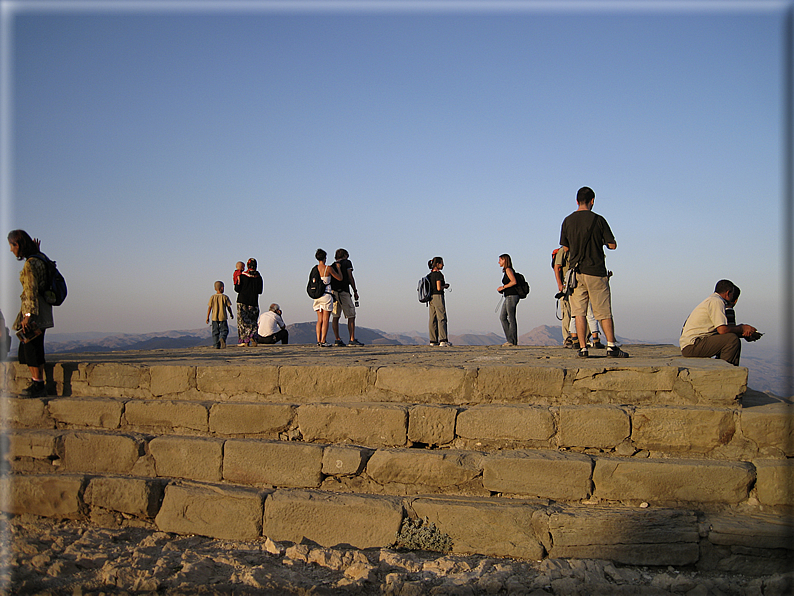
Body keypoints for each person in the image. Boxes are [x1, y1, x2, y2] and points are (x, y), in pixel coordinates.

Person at [559, 186, 629, 358]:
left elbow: (565, 247)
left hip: (576, 273)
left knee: (579, 312)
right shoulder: (598, 220)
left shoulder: (567, 220)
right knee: (603, 311)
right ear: (592, 201)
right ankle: (611, 346)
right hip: (596, 270)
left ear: (576, 201)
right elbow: (612, 245)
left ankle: (583, 348)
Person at [7, 230, 53, 398]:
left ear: (18, 245)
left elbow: (30, 290)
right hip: (44, 309)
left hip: (34, 311)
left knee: (31, 348)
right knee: (34, 346)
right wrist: (39, 251)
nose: (11, 250)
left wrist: (27, 315)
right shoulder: (41, 259)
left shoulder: (30, 264)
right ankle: (38, 383)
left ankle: (38, 385)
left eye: (12, 246)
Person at [680, 280, 759, 366]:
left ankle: (723, 367)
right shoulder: (717, 302)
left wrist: (744, 333)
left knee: (729, 338)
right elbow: (722, 330)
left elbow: (721, 331)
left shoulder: (712, 300)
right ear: (728, 293)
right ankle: (725, 371)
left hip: (692, 344)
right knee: (732, 340)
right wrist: (742, 328)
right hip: (693, 346)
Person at [330, 248, 363, 346]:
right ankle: (351, 339)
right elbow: (350, 276)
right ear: (345, 255)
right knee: (351, 315)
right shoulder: (347, 263)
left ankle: (337, 339)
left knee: (335, 316)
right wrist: (355, 291)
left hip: (333, 293)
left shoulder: (332, 266)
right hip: (344, 291)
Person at [313, 249, 342, 347]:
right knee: (326, 319)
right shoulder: (327, 268)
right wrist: (338, 268)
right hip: (326, 295)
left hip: (317, 296)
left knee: (319, 320)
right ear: (325, 257)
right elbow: (339, 278)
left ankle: (318, 340)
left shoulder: (315, 269)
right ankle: (323, 340)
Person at [233, 258, 263, 346]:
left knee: (242, 321)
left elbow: (237, 289)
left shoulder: (242, 276)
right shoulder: (259, 277)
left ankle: (244, 340)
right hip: (254, 301)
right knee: (253, 320)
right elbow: (260, 291)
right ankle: (253, 335)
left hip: (242, 301)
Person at [427, 257, 452, 347]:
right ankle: (443, 340)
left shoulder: (430, 275)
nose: (443, 265)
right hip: (438, 296)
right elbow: (438, 287)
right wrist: (445, 285)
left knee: (432, 319)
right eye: (441, 263)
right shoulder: (438, 274)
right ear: (437, 264)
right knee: (441, 317)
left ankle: (433, 340)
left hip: (431, 298)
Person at [497, 254, 520, 346]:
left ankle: (512, 341)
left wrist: (503, 287)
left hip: (512, 296)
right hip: (508, 296)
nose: (499, 262)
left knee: (511, 318)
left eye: (500, 260)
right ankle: (510, 339)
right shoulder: (506, 270)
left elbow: (514, 281)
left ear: (504, 260)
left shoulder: (508, 270)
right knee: (502, 317)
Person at [206, 281, 234, 349]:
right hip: (223, 317)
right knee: (224, 330)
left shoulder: (212, 297)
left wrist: (207, 317)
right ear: (222, 288)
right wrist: (231, 314)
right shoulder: (225, 297)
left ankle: (216, 345)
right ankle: (222, 338)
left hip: (214, 317)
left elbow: (210, 307)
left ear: (215, 288)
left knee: (215, 331)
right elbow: (228, 307)